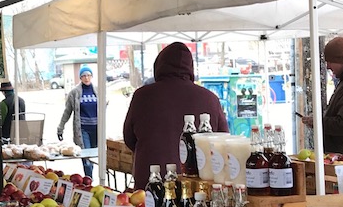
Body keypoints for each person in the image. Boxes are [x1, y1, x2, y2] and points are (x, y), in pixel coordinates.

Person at [122, 43, 228, 190]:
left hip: (151, 180)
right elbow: (223, 142)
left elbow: (129, 138)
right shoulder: (210, 98)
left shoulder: (142, 96)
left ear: (158, 65)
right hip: (196, 184)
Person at [57, 66, 100, 177]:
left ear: (92, 76)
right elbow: (67, 112)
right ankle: (89, 180)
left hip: (96, 129)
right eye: (84, 76)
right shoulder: (74, 93)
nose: (86, 78)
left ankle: (89, 178)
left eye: (88, 75)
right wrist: (60, 128)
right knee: (86, 156)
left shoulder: (98, 90)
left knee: (94, 155)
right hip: (83, 129)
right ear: (80, 78)